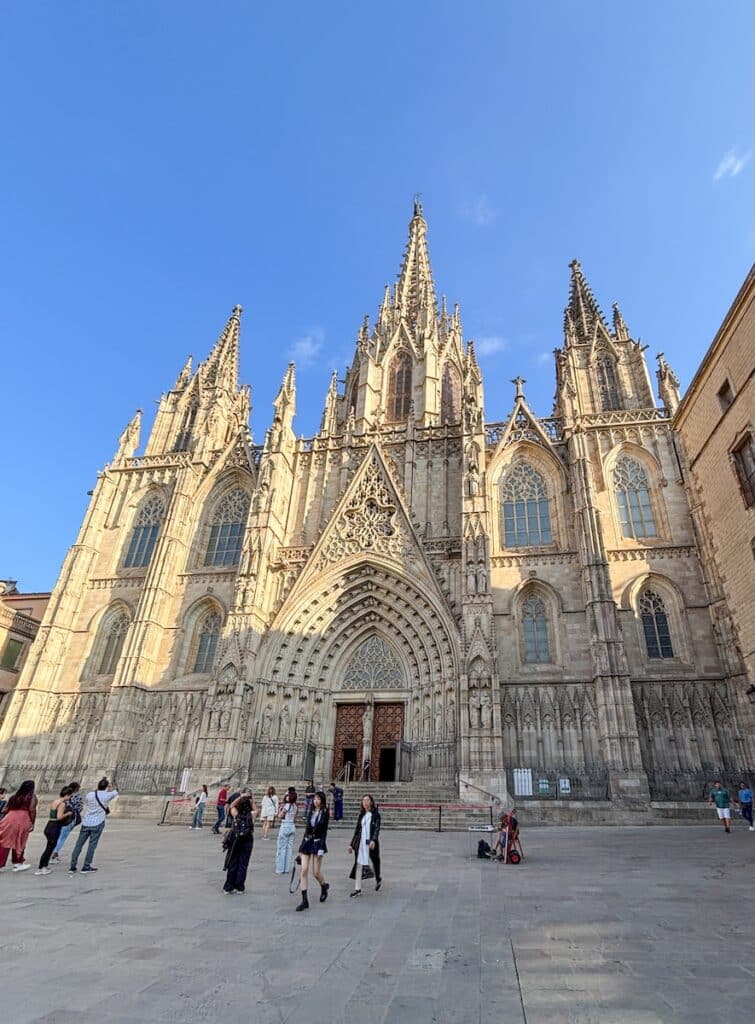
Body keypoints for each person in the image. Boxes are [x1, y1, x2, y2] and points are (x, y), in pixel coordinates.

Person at [69, 777, 119, 873]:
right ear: (106, 787)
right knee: (92, 845)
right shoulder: (107, 795)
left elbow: (89, 800)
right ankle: (86, 866)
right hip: (98, 822)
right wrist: (110, 786)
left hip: (87, 822)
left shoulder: (90, 795)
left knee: (79, 844)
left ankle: (72, 866)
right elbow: (116, 791)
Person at [296, 790, 330, 911]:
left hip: (318, 843)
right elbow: (307, 829)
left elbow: (324, 831)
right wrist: (301, 849)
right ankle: (304, 900)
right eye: (314, 799)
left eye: (318, 799)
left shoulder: (325, 813)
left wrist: (321, 848)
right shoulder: (311, 811)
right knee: (303, 870)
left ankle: (324, 886)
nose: (316, 801)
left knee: (315, 872)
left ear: (322, 800)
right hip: (307, 841)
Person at [223, 790, 256, 894]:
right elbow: (256, 810)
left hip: (235, 838)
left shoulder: (235, 813)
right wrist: (251, 800)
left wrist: (240, 797)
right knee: (243, 863)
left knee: (233, 861)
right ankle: (239, 886)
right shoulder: (251, 815)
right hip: (247, 838)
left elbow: (231, 806)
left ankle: (229, 886)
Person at [348, 794, 382, 897]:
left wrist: (374, 840)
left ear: (371, 802)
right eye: (363, 800)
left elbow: (377, 829)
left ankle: (378, 878)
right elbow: (357, 831)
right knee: (358, 864)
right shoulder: (361, 815)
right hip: (361, 843)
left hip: (371, 843)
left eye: (367, 800)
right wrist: (351, 845)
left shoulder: (376, 815)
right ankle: (357, 889)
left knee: (375, 862)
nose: (365, 802)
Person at [35, 786, 74, 875]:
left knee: (49, 847)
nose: (70, 798)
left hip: (49, 825)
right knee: (49, 848)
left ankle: (43, 866)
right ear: (67, 795)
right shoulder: (62, 804)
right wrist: (68, 813)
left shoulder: (55, 801)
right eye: (70, 796)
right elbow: (59, 817)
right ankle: (42, 867)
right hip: (55, 826)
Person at [0, 780, 37, 871]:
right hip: (23, 819)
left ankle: (0, 863)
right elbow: (32, 809)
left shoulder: (14, 797)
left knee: (5, 841)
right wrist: (32, 822)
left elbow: (4, 810)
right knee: (20, 841)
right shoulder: (31, 797)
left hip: (9, 818)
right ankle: (18, 862)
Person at [51, 782, 83, 862]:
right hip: (69, 819)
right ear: (76, 788)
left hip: (60, 818)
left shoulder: (64, 795)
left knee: (58, 836)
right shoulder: (77, 797)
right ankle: (54, 854)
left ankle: (53, 853)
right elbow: (80, 808)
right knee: (62, 837)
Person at [275, 787, 298, 874]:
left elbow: (280, 816)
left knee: (282, 847)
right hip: (292, 825)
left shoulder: (287, 806)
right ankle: (286, 868)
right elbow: (295, 818)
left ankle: (280, 868)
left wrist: (280, 810)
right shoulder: (295, 806)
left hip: (285, 825)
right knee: (289, 848)